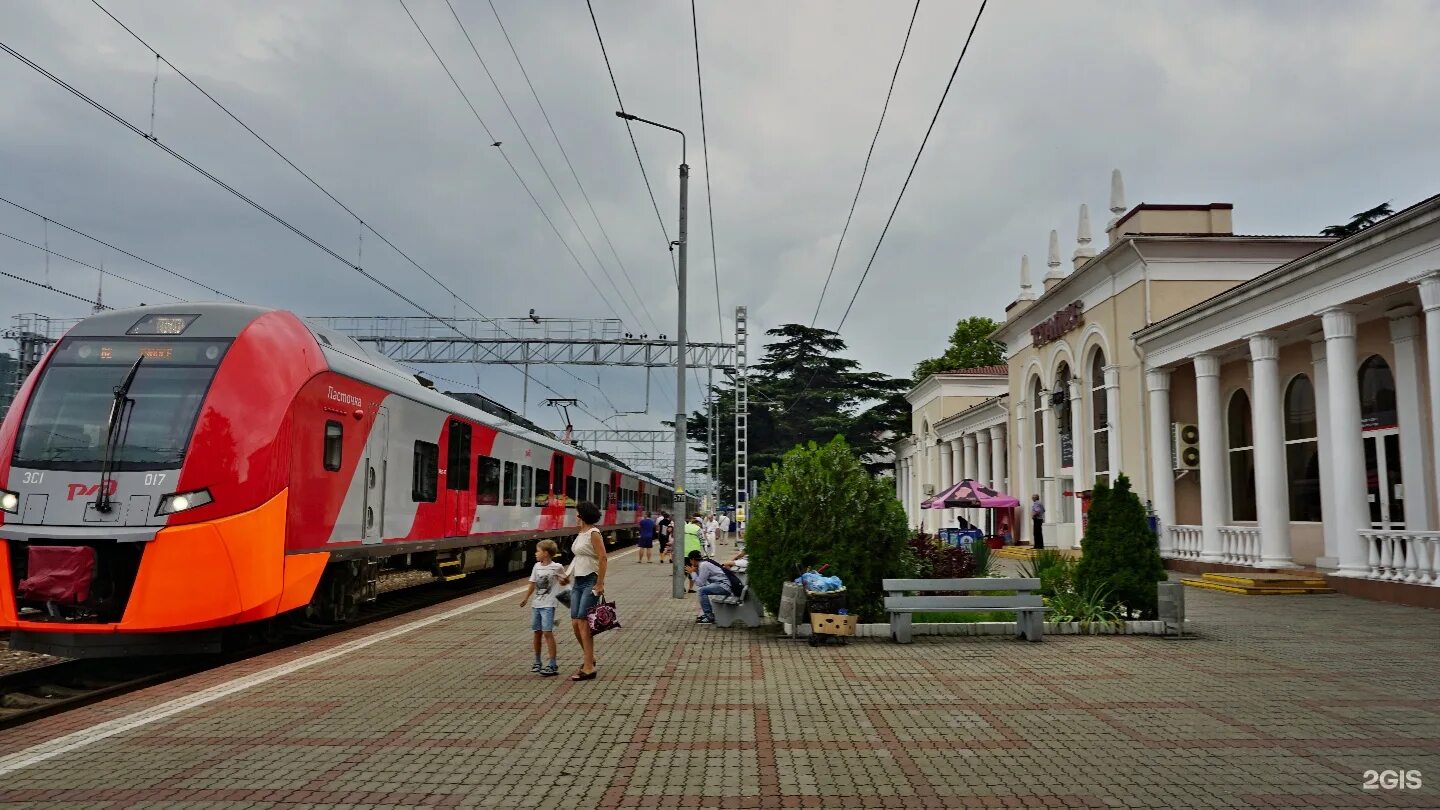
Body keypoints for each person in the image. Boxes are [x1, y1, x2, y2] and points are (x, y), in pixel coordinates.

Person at [560, 501, 607, 681]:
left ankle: (588, 667)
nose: (575, 516)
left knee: (583, 622)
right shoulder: (581, 533)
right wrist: (567, 574)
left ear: (583, 515)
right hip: (578, 581)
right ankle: (590, 657)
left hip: (590, 580)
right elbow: (578, 557)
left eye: (577, 513)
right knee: (575, 622)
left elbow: (603, 558)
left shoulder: (594, 533)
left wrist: (600, 583)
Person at [518, 539, 563, 677]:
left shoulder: (557, 567)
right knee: (537, 632)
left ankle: (553, 664)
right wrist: (526, 598)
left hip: (549, 605)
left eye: (538, 551)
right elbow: (532, 583)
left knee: (547, 633)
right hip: (536, 605)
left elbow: (565, 582)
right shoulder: (536, 566)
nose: (535, 553)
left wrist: (564, 580)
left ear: (546, 553)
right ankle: (537, 661)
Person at [685, 550, 732, 625]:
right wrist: (696, 571)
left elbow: (700, 583)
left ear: (693, 559)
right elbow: (703, 582)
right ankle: (707, 614)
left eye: (690, 560)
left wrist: (692, 572)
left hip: (724, 586)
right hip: (724, 584)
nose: (690, 563)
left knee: (702, 590)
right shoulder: (704, 563)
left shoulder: (703, 565)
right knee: (703, 589)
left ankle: (709, 616)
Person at [682, 517, 703, 590]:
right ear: (698, 523)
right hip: (694, 553)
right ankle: (690, 589)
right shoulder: (698, 529)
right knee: (693, 570)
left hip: (684, 552)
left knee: (685, 570)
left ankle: (681, 586)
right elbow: (702, 541)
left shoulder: (684, 527)